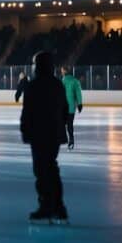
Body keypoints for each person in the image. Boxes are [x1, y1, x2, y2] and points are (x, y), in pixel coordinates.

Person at [21, 51, 69, 223]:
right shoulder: (58, 84)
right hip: (54, 134)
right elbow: (65, 110)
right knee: (52, 168)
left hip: (40, 134)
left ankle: (46, 206)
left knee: (42, 171)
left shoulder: (33, 86)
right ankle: (58, 206)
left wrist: (25, 131)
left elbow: (27, 112)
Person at [61, 67, 83, 150]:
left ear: (65, 71)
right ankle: (71, 139)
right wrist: (80, 104)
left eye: (62, 71)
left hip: (63, 107)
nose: (61, 72)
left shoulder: (62, 81)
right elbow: (78, 93)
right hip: (71, 108)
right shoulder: (75, 81)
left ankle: (61, 139)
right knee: (70, 124)